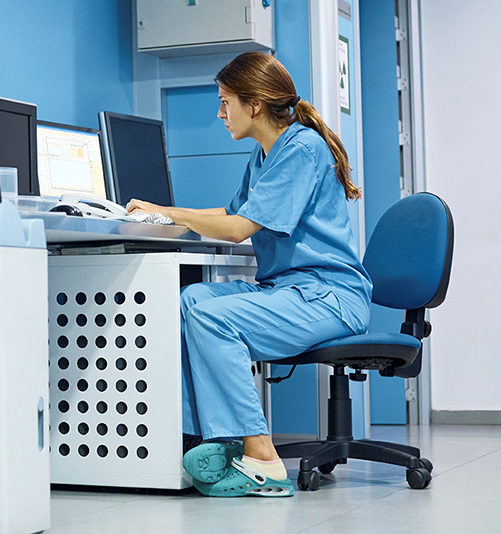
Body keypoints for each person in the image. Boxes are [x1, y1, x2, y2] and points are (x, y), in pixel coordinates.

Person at [126, 52, 372, 498]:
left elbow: (239, 229)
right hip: (290, 290)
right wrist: (162, 213)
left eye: (225, 102)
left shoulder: (302, 149)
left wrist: (166, 212)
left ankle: (261, 456)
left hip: (329, 296)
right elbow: (233, 211)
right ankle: (208, 440)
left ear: (254, 104)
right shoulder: (265, 154)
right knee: (191, 301)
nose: (220, 113)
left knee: (212, 317)